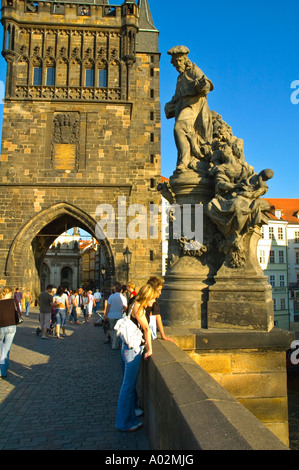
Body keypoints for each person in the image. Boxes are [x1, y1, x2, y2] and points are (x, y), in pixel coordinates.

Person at [164, 45, 214, 172]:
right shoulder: (180, 78)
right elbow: (176, 97)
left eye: (177, 63)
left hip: (194, 107)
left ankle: (185, 160)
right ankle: (185, 159)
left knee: (179, 128)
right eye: (174, 64)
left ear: (183, 60)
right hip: (183, 107)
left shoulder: (193, 70)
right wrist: (168, 105)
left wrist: (202, 85)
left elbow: (206, 84)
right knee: (181, 130)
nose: (176, 66)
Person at [115, 284, 157, 432]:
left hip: (126, 347)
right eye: (153, 298)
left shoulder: (134, 303)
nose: (155, 300)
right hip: (132, 350)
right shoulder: (139, 307)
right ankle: (122, 422)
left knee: (129, 386)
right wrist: (150, 348)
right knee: (127, 387)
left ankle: (131, 418)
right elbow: (146, 328)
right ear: (147, 296)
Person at [0, 287, 20, 378]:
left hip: (1, 327)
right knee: (6, 350)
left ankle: (2, 370)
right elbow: (18, 313)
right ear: (10, 293)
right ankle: (3, 371)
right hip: (11, 327)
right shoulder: (14, 301)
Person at [105, 284, 127, 349]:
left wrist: (106, 315)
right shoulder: (123, 297)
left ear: (115, 290)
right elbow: (125, 307)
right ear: (121, 290)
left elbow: (108, 307)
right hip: (119, 316)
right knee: (117, 331)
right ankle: (115, 344)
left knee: (112, 329)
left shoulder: (111, 296)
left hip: (111, 315)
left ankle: (114, 343)